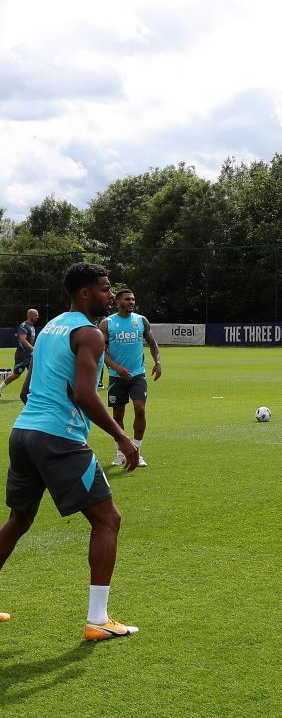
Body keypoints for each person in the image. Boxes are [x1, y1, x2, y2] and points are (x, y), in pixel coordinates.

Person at [1, 262, 140, 638]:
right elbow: (83, 393)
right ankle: (98, 620)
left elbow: (27, 391)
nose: (110, 295)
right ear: (84, 293)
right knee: (108, 519)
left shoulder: (49, 328)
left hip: (23, 433)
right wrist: (121, 437)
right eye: (105, 288)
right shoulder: (90, 334)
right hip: (58, 439)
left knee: (19, 520)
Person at [100, 290, 162, 467]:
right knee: (118, 415)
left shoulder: (141, 320)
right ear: (118, 301)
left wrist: (157, 363)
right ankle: (120, 452)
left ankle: (137, 450)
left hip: (137, 374)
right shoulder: (107, 323)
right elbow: (101, 352)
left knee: (140, 409)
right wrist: (117, 368)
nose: (131, 302)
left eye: (133, 299)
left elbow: (152, 343)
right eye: (127, 299)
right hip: (116, 377)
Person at [0, 308, 38, 399]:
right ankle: (0, 388)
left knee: (34, 374)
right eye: (36, 315)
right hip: (22, 356)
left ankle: (33, 394)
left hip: (30, 355)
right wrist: (33, 349)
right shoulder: (24, 326)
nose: (37, 316)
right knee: (16, 375)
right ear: (30, 315)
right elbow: (23, 339)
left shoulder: (32, 326)